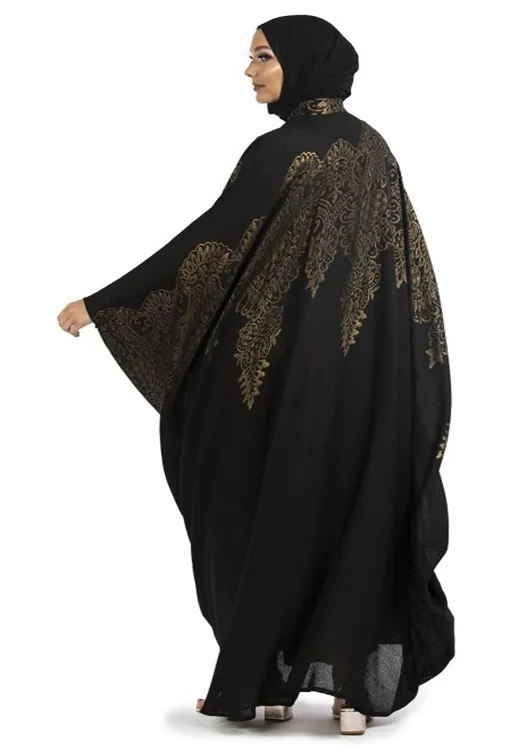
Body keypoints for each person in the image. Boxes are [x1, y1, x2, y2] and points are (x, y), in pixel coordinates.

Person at [56, 14, 454, 736]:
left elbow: (211, 247)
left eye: (263, 57)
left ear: (301, 63)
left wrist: (106, 304)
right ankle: (354, 695)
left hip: (280, 379)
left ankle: (262, 684)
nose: (250, 72)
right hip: (369, 382)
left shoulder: (282, 150)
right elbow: (406, 279)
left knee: (261, 505)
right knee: (354, 510)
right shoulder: (374, 148)